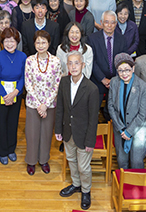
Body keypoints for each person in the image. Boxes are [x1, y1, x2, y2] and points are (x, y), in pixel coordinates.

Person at [56, 52, 99, 211]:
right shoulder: (64, 82)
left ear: (83, 65)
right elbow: (60, 107)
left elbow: (93, 118)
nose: (73, 66)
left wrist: (90, 141)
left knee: (83, 166)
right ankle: (76, 184)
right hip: (68, 131)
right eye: (70, 63)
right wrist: (58, 129)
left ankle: (86, 190)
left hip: (84, 134)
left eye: (76, 63)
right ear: (67, 66)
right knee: (71, 160)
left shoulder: (92, 89)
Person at [23, 31, 62, 175]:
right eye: (38, 42)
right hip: (33, 104)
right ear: (34, 44)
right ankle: (31, 161)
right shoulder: (29, 60)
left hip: (49, 105)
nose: (41, 45)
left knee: (46, 134)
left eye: (43, 42)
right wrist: (39, 104)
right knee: (32, 134)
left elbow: (57, 84)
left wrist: (46, 104)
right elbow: (28, 83)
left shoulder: (56, 61)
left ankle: (44, 160)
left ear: (49, 44)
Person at [107, 53, 146, 169]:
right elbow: (110, 106)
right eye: (120, 70)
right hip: (120, 127)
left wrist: (129, 131)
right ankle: (124, 181)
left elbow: (143, 114)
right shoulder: (114, 82)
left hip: (139, 128)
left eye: (127, 69)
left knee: (136, 162)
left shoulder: (143, 86)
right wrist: (120, 127)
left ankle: (136, 181)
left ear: (133, 68)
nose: (124, 73)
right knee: (122, 161)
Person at [0, 28, 27, 165]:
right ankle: (2, 151)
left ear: (17, 42)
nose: (9, 44)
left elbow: (23, 77)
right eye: (6, 41)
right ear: (2, 42)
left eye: (12, 41)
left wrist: (14, 93)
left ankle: (11, 149)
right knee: (0, 124)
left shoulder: (22, 56)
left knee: (13, 122)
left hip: (16, 95)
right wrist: (6, 96)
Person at [88, 11, 127, 109]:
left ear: (116, 24)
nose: (109, 25)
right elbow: (92, 61)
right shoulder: (92, 39)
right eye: (106, 22)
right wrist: (103, 79)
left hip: (117, 81)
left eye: (112, 22)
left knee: (115, 111)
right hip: (97, 81)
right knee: (93, 110)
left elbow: (123, 61)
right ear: (101, 22)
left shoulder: (122, 39)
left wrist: (115, 80)